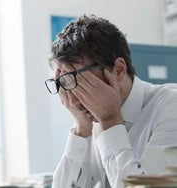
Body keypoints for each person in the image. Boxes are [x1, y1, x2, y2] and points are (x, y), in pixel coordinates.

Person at [45, 14, 177, 188]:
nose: (75, 99)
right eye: (65, 83)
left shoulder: (170, 106)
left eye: (82, 82)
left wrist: (110, 120)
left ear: (119, 70)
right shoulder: (89, 120)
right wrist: (81, 129)